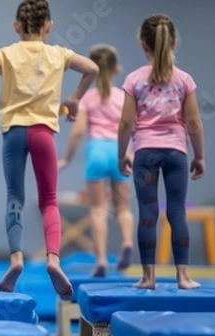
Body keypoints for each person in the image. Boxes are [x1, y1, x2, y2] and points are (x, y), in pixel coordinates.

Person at [0, 0, 99, 298]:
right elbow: (92, 68)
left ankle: (15, 260)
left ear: (16, 27)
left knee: (14, 196)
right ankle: (53, 259)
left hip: (13, 133)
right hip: (43, 133)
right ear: (49, 27)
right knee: (49, 199)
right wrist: (75, 98)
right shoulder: (58, 54)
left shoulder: (6, 53)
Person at [118, 14, 204, 290]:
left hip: (145, 152)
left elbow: (126, 122)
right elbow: (193, 122)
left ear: (143, 44)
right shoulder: (184, 79)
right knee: (177, 212)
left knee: (147, 213)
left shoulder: (134, 80)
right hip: (177, 152)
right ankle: (184, 277)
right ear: (174, 42)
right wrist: (199, 155)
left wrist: (122, 153)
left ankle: (148, 277)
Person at [58, 45, 135, 277]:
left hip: (96, 152)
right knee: (123, 209)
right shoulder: (124, 97)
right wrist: (129, 152)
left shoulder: (87, 98)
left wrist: (66, 159)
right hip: (119, 150)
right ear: (116, 69)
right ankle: (127, 243)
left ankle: (101, 260)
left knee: (98, 210)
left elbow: (78, 131)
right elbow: (130, 127)